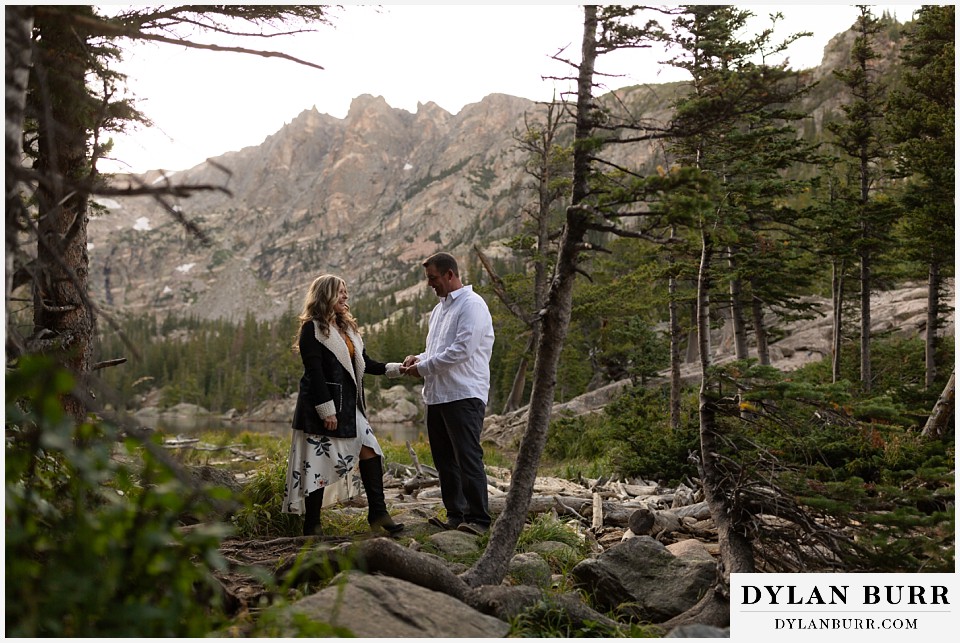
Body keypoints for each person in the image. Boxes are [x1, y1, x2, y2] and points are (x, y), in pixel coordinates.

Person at [283, 274, 405, 536]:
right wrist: (326, 410)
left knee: (371, 450)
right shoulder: (311, 328)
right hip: (321, 406)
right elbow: (314, 373)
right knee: (317, 465)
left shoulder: (347, 329)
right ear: (325, 294)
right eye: (340, 291)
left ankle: (378, 515)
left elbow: (365, 363)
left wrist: (397, 369)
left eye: (346, 291)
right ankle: (312, 526)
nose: (346, 296)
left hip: (351, 407)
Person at [402, 252, 495, 535]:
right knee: (444, 461)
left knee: (467, 457)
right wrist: (418, 359)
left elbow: (461, 350)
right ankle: (455, 515)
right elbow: (438, 351)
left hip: (464, 394)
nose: (430, 284)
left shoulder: (472, 305)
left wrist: (424, 368)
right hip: (438, 395)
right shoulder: (439, 311)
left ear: (450, 275)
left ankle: (478, 520)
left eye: (433, 278)